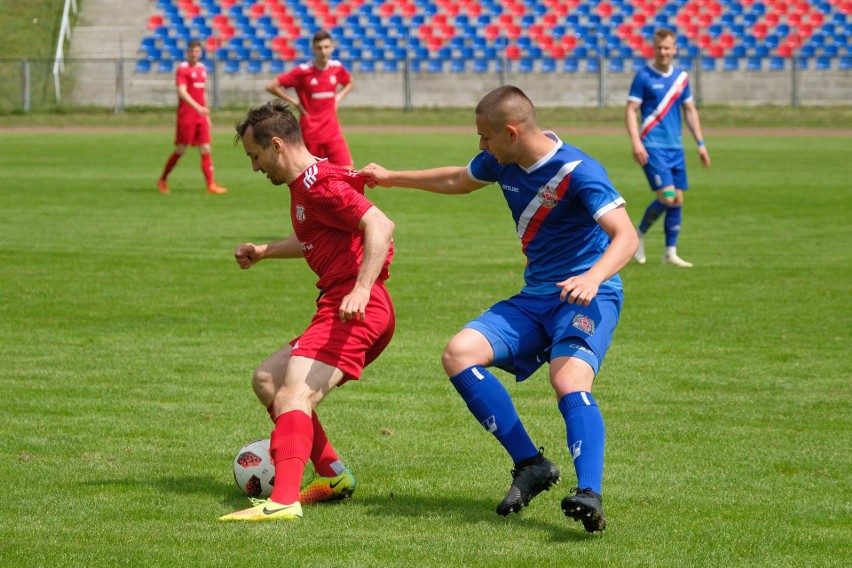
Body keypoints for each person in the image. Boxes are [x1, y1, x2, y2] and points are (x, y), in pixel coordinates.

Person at [360, 86, 638, 533]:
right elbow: (458, 179)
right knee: (459, 353)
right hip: (535, 298)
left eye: (485, 137)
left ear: (511, 132)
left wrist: (592, 277)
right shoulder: (501, 160)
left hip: (589, 294)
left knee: (567, 378)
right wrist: (392, 177)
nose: (480, 147)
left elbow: (626, 235)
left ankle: (589, 492)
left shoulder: (580, 172)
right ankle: (531, 464)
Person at [219, 100, 396, 522]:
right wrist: (265, 251)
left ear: (277, 145)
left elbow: (380, 226)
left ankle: (282, 501)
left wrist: (361, 288)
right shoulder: (308, 183)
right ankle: (334, 476)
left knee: (295, 392)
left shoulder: (318, 184)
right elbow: (317, 236)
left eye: (255, 156)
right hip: (341, 304)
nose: (255, 167)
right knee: (268, 379)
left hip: (355, 308)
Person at [625, 28, 711, 267]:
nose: (663, 52)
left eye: (667, 48)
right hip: (652, 146)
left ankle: (669, 253)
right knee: (668, 196)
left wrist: (701, 144)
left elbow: (690, 111)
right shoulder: (643, 77)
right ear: (654, 49)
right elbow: (631, 110)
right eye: (659, 48)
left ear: (675, 49)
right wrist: (636, 142)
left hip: (676, 147)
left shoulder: (681, 78)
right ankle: (636, 237)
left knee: (678, 199)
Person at [265, 29, 355, 169]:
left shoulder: (337, 68)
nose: (323, 51)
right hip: (311, 132)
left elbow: (350, 82)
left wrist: (338, 98)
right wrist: (295, 102)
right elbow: (272, 86)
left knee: (347, 170)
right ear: (313, 49)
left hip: (333, 131)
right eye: (319, 48)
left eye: (326, 47)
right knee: (312, 175)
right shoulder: (303, 70)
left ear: (332, 48)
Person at [157, 40, 228, 195]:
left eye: (198, 51)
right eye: (192, 51)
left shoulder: (202, 69)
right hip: (186, 116)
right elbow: (182, 92)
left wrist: (206, 113)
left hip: (200, 116)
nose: (195, 54)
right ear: (188, 52)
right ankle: (162, 180)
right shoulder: (182, 69)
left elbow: (203, 92)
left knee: (205, 148)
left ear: (200, 52)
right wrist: (198, 107)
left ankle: (210, 185)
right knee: (181, 149)